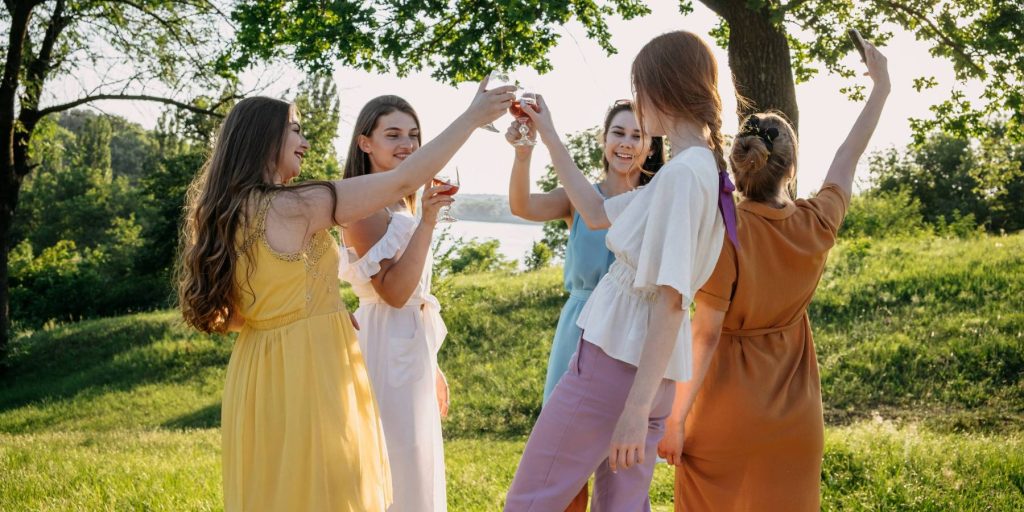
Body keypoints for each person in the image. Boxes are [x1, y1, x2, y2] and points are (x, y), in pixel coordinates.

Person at [176, 80, 514, 511]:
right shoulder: (299, 204)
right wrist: (472, 117)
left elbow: (232, 316)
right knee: (330, 491)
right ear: (264, 139)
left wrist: (320, 307)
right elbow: (404, 180)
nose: (305, 141)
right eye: (295, 130)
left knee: (279, 492)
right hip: (309, 366)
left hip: (256, 370)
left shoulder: (224, 210)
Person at [503, 30, 737, 511]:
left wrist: (633, 409)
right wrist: (547, 134)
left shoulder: (679, 177)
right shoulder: (699, 169)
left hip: (615, 365)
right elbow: (593, 210)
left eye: (640, 89)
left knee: (531, 500)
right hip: (654, 377)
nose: (637, 103)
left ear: (661, 89)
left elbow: (673, 299)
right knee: (622, 507)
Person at [660, 41, 890, 511]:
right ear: (791, 166)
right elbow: (848, 158)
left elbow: (704, 336)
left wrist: (674, 419)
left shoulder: (725, 233)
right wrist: (881, 87)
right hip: (797, 422)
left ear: (739, 164)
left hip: (725, 416)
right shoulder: (817, 221)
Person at [505, 99, 665, 510]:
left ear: (651, 146)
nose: (626, 144)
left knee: (622, 464)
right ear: (603, 139)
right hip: (578, 329)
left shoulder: (654, 201)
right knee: (563, 463)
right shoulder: (580, 197)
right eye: (619, 133)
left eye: (637, 135)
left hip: (631, 331)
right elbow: (522, 206)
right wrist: (524, 154)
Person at [338, 95, 452, 511]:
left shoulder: (398, 201)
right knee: (395, 463)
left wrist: (432, 362)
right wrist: (427, 221)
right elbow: (394, 292)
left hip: (412, 345)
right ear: (365, 143)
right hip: (385, 346)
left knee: (418, 461)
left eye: (413, 134)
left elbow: (414, 293)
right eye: (393, 135)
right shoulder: (361, 203)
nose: (407, 143)